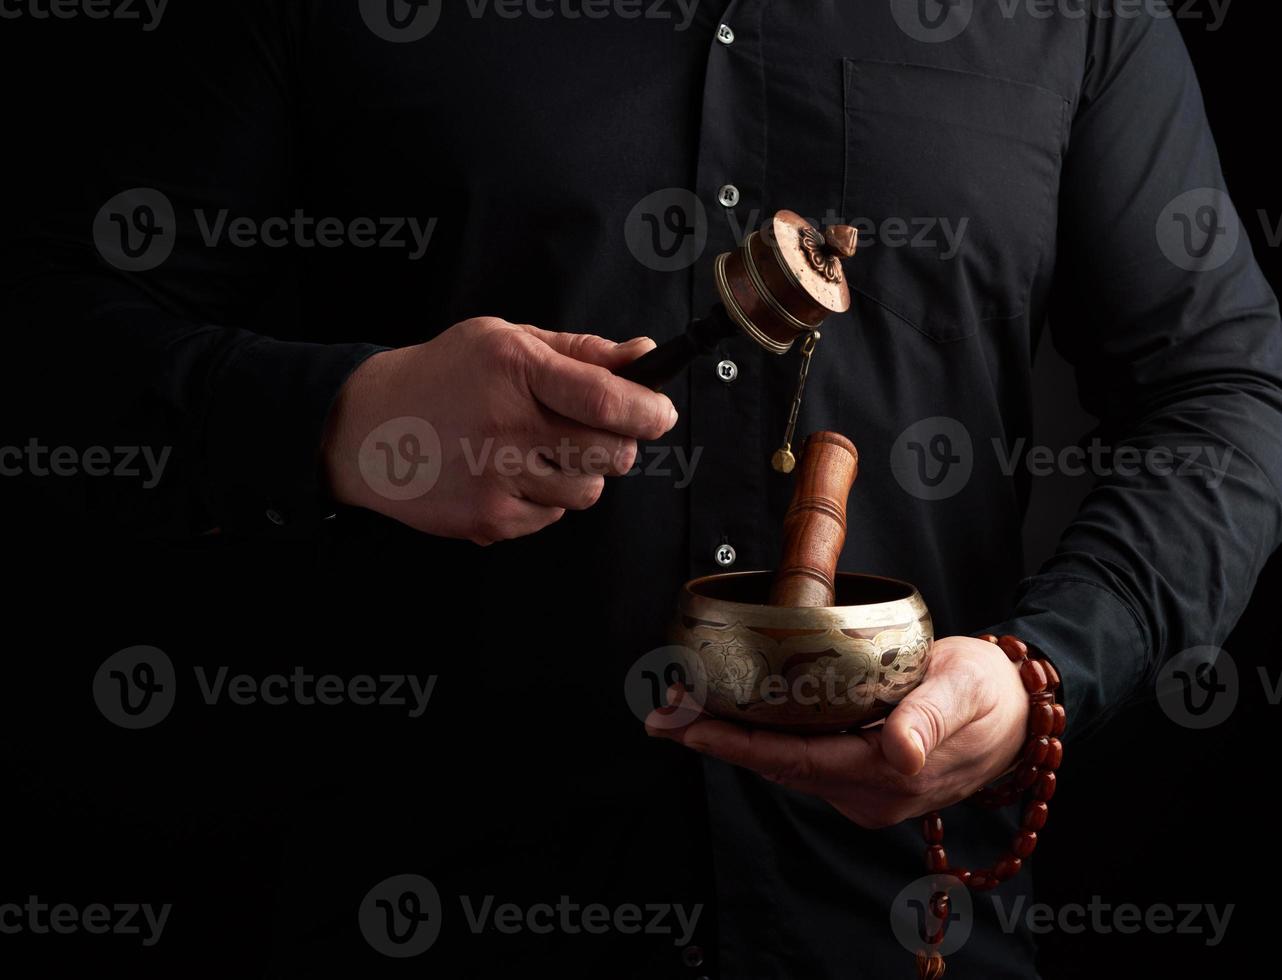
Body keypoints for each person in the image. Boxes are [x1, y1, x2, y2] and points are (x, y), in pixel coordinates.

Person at [4, 2, 1279, 976]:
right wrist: (346, 420)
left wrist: (1037, 669)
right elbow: (52, 322)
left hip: (900, 930)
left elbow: (1222, 392)